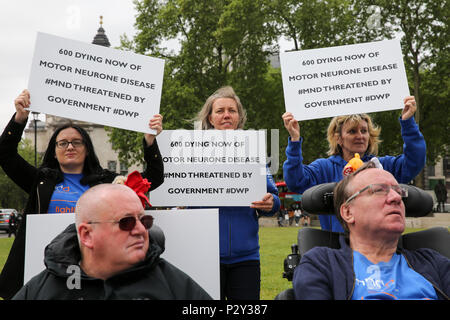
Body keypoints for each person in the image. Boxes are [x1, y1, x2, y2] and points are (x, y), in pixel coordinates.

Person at [0, 89, 165, 299]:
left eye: (76, 142)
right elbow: (5, 154)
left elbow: (153, 179)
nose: (70, 147)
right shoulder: (40, 181)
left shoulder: (108, 183)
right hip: (46, 264)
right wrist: (19, 118)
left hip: (95, 265)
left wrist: (150, 141)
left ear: (87, 148)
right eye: (63, 143)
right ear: (54, 150)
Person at [12, 184, 211, 300]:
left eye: (144, 220)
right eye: (126, 222)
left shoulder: (173, 283)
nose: (141, 230)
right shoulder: (40, 290)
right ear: (87, 235)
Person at [293, 161, 450, 300]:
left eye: (399, 191)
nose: (396, 197)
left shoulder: (433, 262)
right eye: (379, 190)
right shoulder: (322, 264)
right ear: (348, 212)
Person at [282, 96, 426, 232]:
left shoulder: (383, 166)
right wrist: (294, 141)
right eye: (352, 131)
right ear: (338, 138)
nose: (360, 136)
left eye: (364, 131)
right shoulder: (323, 168)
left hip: (380, 246)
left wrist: (408, 123)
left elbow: (414, 162)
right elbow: (295, 181)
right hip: (338, 249)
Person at [194, 86, 281, 300]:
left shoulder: (254, 151)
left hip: (246, 258)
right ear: (210, 117)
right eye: (220, 110)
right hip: (204, 255)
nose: (226, 115)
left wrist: (272, 204)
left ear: (239, 116)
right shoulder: (191, 151)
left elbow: (272, 197)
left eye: (231, 110)